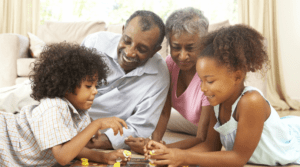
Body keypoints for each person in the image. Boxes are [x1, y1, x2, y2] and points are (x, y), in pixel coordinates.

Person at [0, 10, 169, 151]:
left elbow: (140, 127)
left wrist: (96, 139)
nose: (130, 52)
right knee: (14, 99)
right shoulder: (97, 41)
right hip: (59, 106)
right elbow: (64, 84)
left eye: (142, 49)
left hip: (94, 124)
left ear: (155, 50)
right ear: (123, 30)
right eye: (127, 41)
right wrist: (58, 124)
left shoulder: (159, 76)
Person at [144, 24, 300, 166]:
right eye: (201, 80)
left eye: (210, 81)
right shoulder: (217, 102)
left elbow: (238, 158)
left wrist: (183, 157)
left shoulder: (251, 102)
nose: (203, 89)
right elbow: (210, 146)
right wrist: (166, 152)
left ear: (237, 77)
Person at [0, 43, 131, 166]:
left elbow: (72, 149)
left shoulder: (81, 113)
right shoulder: (54, 107)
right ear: (67, 86)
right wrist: (96, 124)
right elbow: (63, 157)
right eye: (89, 86)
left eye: (96, 86)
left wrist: (104, 157)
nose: (95, 91)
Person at [125, 7, 214, 154]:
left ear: (203, 45)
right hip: (192, 123)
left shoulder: (209, 75)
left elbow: (202, 138)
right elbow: (164, 113)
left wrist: (162, 149)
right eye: (176, 47)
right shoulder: (170, 65)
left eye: (190, 48)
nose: (183, 56)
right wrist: (154, 142)